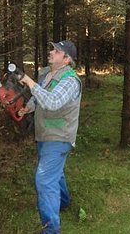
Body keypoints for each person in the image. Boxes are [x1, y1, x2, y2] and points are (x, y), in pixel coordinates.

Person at [18, 40, 82, 234]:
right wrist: (27, 108)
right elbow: (39, 97)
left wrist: (29, 82)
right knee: (55, 173)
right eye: (52, 49)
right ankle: (64, 202)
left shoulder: (70, 80)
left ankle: (51, 230)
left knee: (45, 180)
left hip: (60, 137)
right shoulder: (46, 73)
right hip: (44, 133)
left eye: (56, 51)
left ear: (66, 59)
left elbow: (53, 102)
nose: (51, 52)